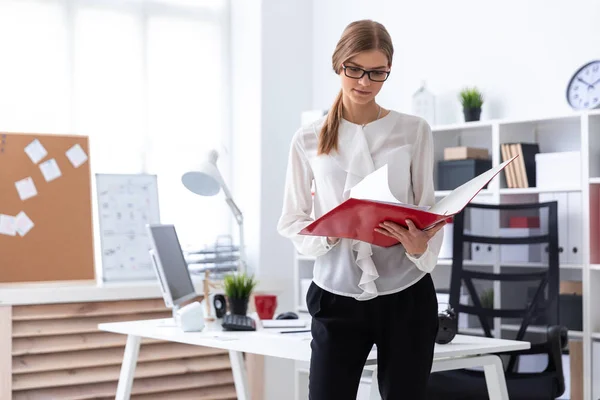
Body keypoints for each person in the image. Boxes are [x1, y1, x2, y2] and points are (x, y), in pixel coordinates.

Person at [277, 19, 446, 400]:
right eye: (354, 69)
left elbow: (428, 208)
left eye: (377, 73)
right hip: (335, 294)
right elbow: (291, 219)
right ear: (338, 64)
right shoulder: (307, 138)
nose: (364, 82)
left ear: (388, 71)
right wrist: (330, 231)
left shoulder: (414, 130)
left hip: (407, 293)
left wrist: (421, 248)